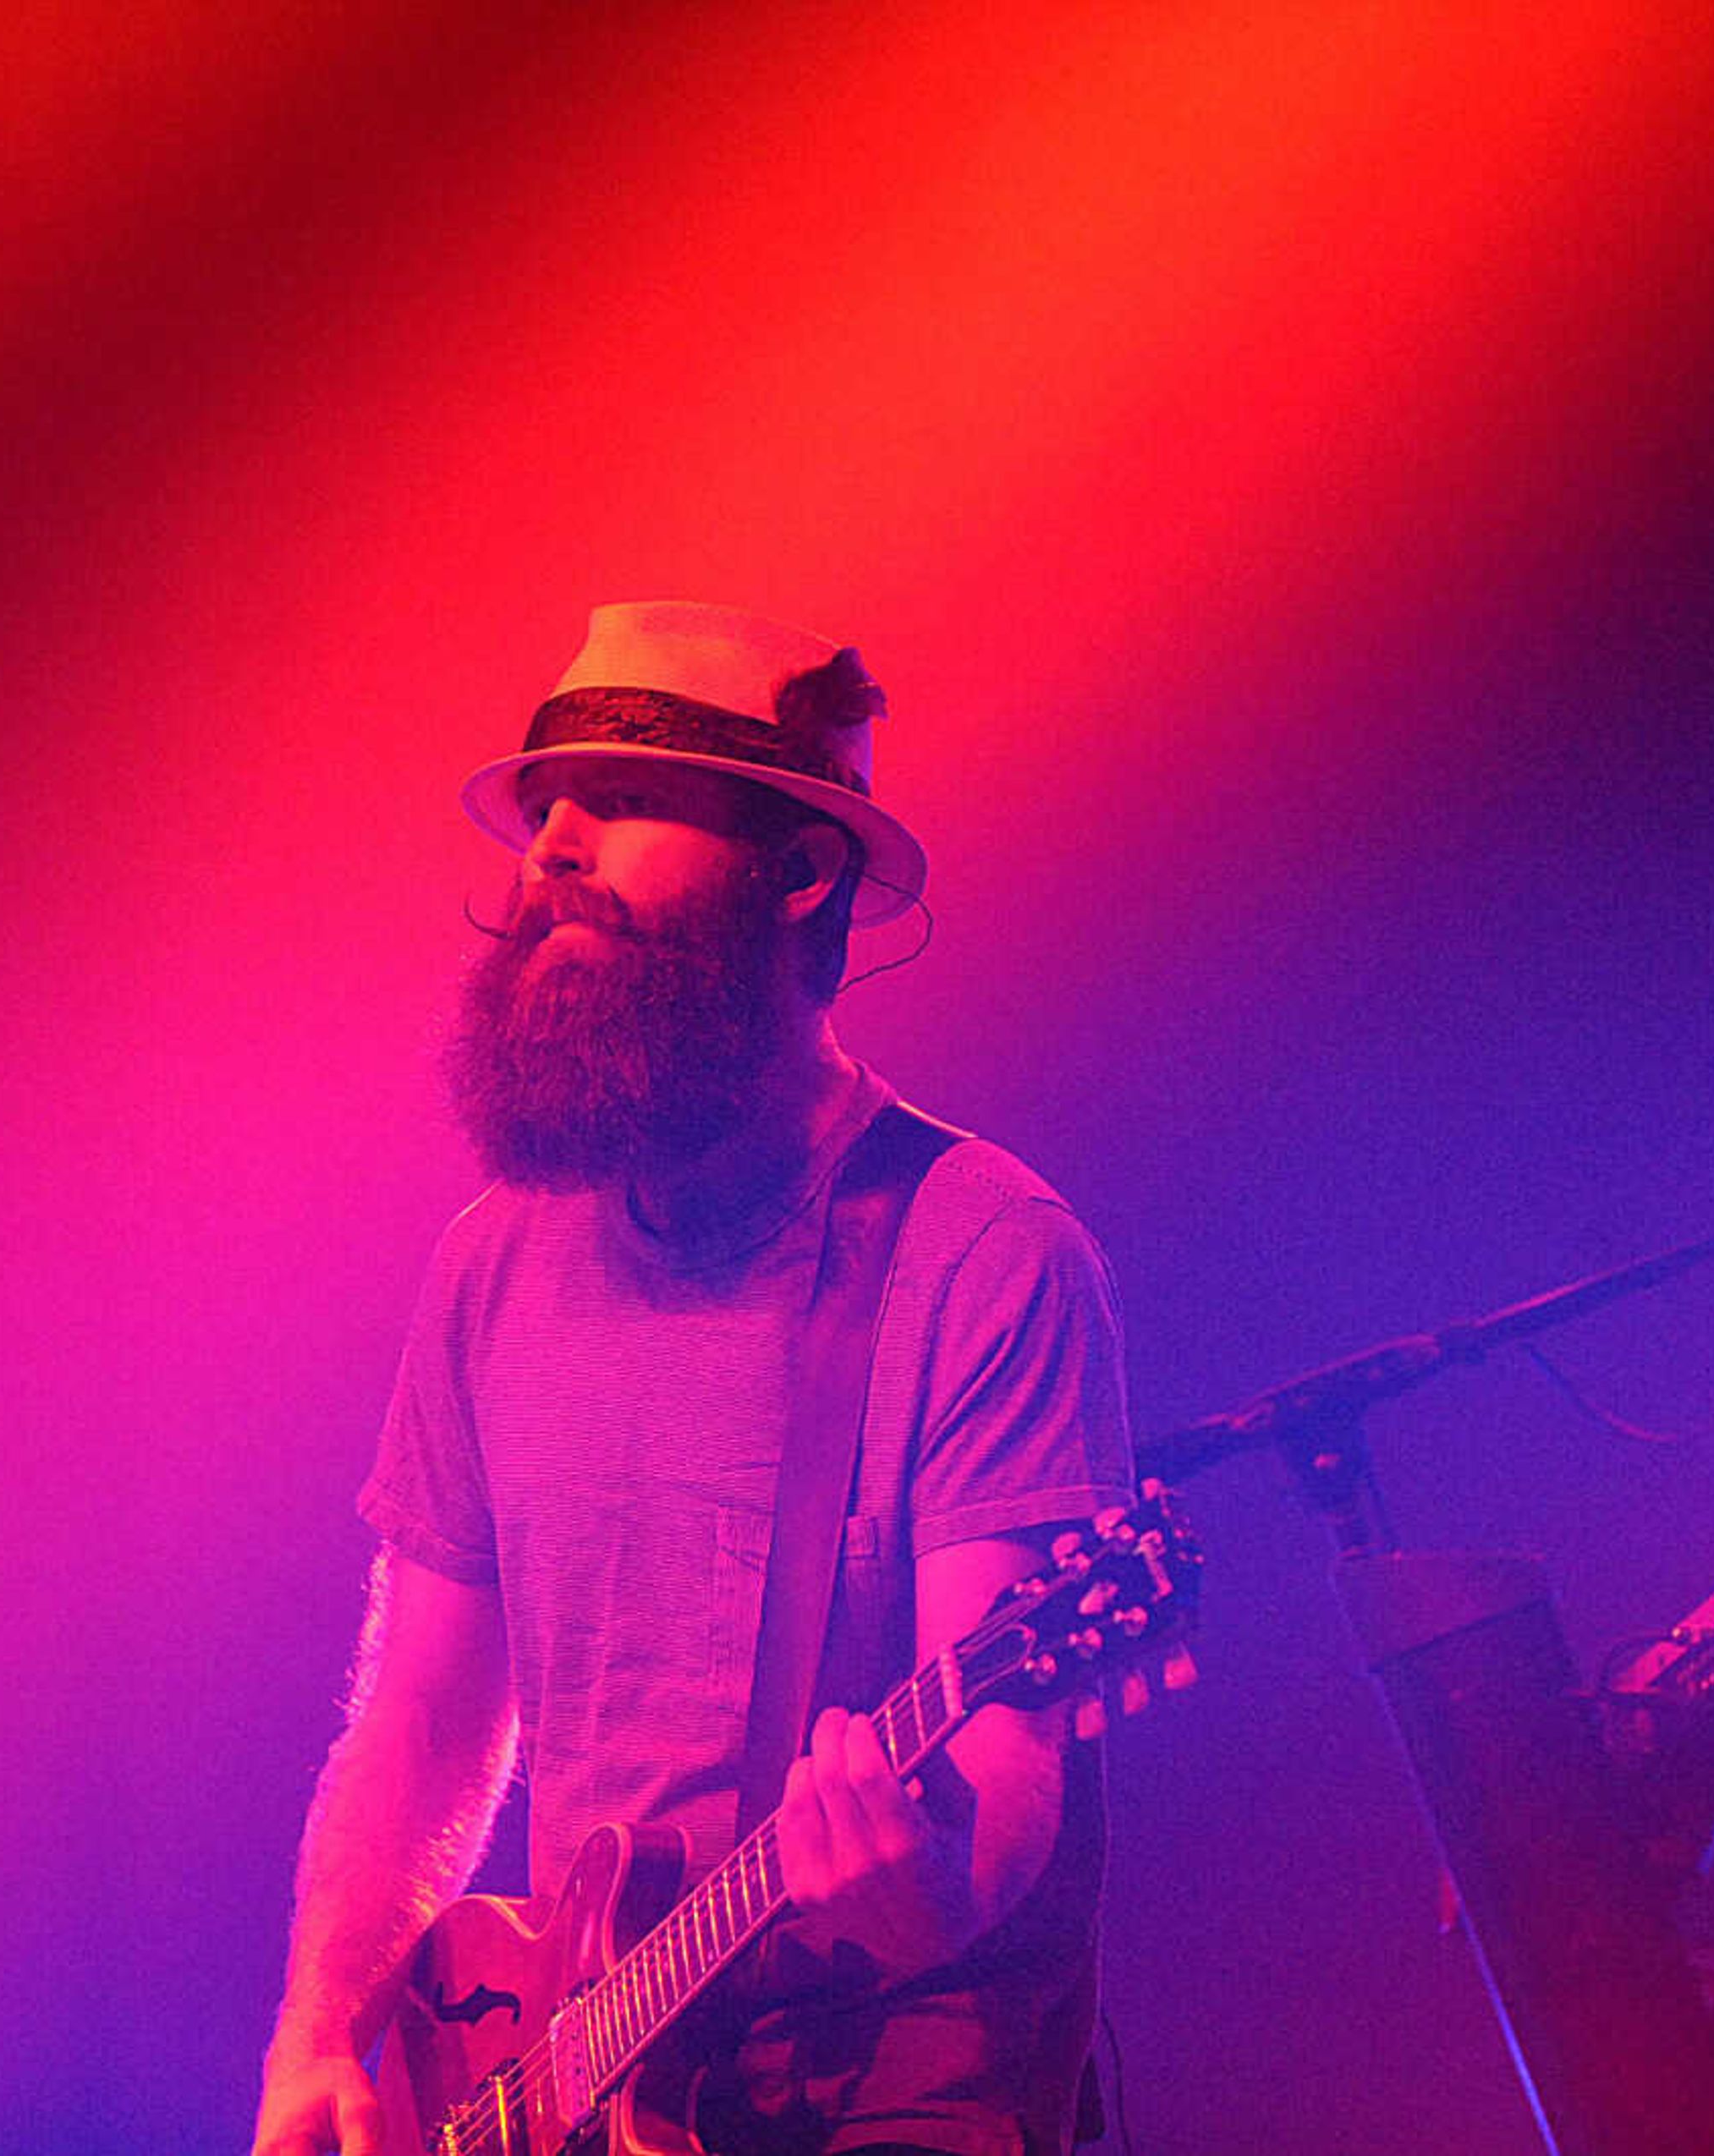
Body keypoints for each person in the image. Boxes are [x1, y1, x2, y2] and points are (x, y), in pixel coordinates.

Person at [253, 601, 1137, 2156]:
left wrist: (925, 1886)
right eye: (545, 806)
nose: (556, 845)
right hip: (582, 2076)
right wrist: (320, 2034)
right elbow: (424, 1712)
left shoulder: (981, 1246)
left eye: (629, 799)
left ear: (803, 872)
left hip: (886, 2085)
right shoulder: (490, 1263)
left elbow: (1007, 1750)